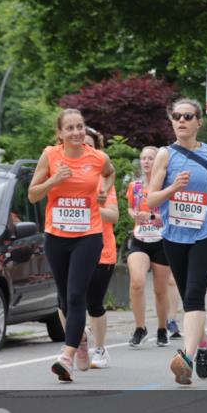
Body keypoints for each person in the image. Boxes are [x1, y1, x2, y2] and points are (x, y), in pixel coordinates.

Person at [146, 98, 207, 386]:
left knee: (195, 296)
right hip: (174, 236)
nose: (181, 120)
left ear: (199, 122)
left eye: (188, 116)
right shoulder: (165, 155)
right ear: (171, 121)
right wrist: (174, 187)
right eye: (176, 116)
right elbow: (151, 198)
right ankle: (205, 342)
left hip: (206, 233)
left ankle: (186, 357)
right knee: (188, 300)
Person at [28, 108, 114, 381]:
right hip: (56, 236)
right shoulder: (50, 156)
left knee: (77, 295)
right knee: (65, 298)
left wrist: (103, 191)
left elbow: (110, 173)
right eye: (70, 128)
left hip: (88, 235)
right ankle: (82, 339)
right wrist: (55, 180)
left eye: (80, 127)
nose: (77, 132)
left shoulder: (98, 157)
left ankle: (66, 356)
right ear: (60, 133)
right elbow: (32, 195)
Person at [124, 146, 174, 349]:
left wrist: (151, 217)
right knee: (137, 282)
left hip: (161, 240)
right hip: (140, 239)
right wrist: (133, 214)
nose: (146, 161)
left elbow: (170, 218)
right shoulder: (135, 187)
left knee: (161, 291)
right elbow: (130, 207)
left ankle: (162, 329)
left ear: (158, 161)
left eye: (150, 158)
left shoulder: (166, 187)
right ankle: (140, 328)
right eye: (143, 158)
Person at [82, 128, 118, 369]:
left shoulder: (104, 180)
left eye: (90, 145)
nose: (85, 149)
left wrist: (91, 207)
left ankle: (100, 348)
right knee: (64, 301)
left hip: (101, 250)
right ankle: (77, 340)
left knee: (94, 303)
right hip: (70, 246)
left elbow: (113, 215)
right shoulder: (63, 174)